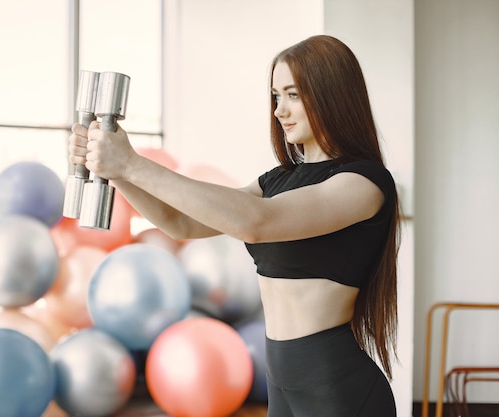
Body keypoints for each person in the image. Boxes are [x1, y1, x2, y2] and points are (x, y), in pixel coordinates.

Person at [68, 34, 400, 417]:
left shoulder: (364, 182)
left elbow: (255, 222)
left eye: (292, 95)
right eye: (276, 96)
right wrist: (115, 170)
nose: (279, 110)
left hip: (338, 390)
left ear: (331, 95)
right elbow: (180, 223)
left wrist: (131, 163)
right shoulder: (277, 180)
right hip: (283, 383)